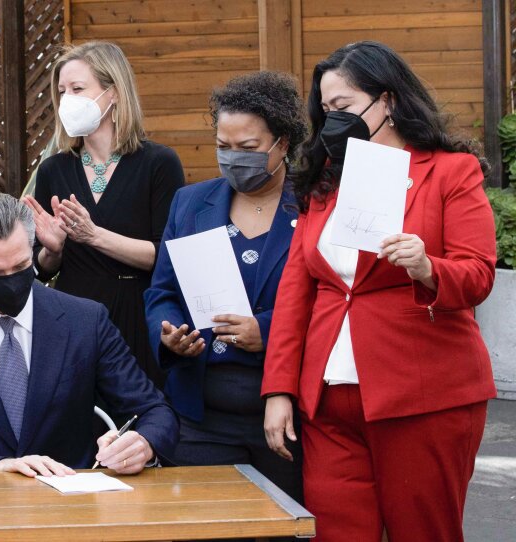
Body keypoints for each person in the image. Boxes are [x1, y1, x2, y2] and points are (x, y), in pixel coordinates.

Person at [261, 41, 497, 541]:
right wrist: (279, 389)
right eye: (326, 110)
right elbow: (296, 294)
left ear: (387, 100)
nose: (333, 119)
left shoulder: (451, 170)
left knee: (423, 531)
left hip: (423, 396)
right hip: (328, 400)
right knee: (335, 532)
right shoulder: (325, 182)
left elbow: (478, 274)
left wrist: (428, 267)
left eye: (344, 105)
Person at [0, 190, 178, 479]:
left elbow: (154, 411)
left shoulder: (85, 321)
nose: (11, 282)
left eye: (21, 266)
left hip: (71, 499)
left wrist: (143, 444)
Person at [144, 71, 306, 503]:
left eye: (248, 148)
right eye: (223, 147)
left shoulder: (313, 206)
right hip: (200, 418)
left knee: (285, 525)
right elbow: (162, 291)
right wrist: (169, 332)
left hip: (286, 417)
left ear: (282, 144)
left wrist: (266, 332)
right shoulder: (190, 203)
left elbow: (331, 302)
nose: (233, 158)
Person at [24, 41, 185, 388]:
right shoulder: (53, 169)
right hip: (73, 314)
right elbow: (43, 268)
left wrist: (93, 235)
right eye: (62, 91)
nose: (67, 99)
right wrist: (52, 250)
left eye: (78, 89)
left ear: (113, 93)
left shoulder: (158, 164)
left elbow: (168, 257)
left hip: (137, 313)